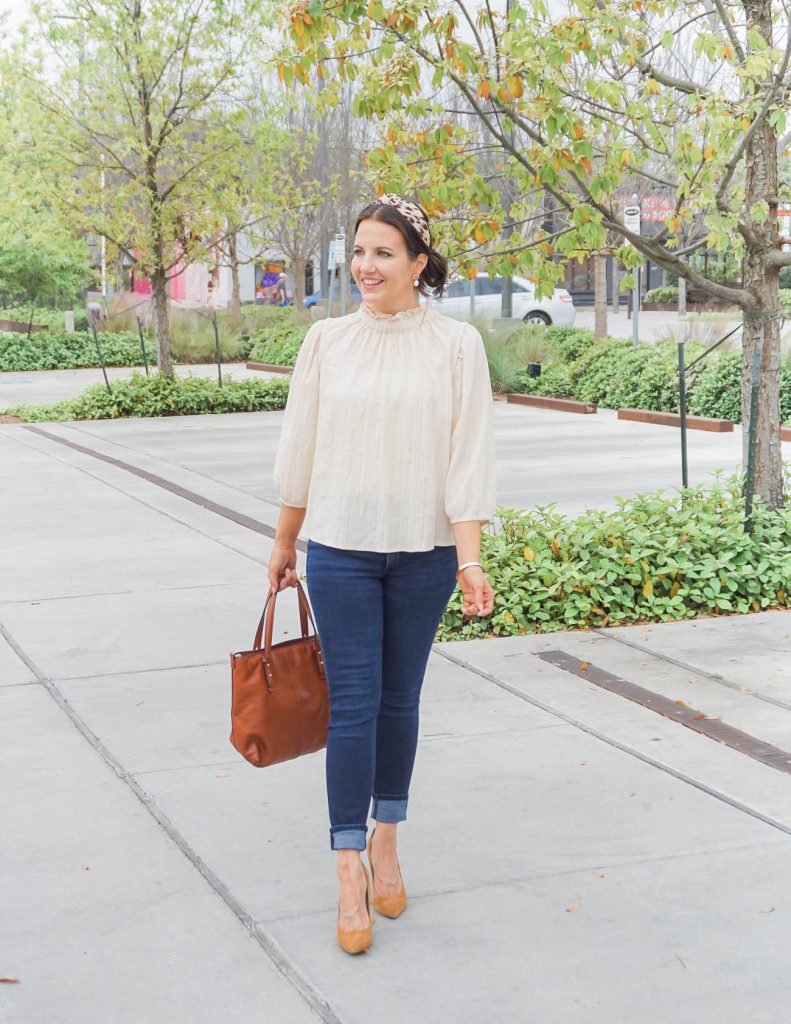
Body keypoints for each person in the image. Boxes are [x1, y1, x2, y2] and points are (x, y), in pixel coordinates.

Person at [268, 194, 496, 955]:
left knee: (400, 700)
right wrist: (282, 544)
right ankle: (345, 865)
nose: (364, 267)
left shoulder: (458, 345)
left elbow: (467, 459)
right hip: (340, 549)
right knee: (354, 704)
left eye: (382, 254)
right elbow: (300, 450)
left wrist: (469, 559)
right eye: (357, 253)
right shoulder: (326, 342)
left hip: (426, 554)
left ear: (418, 264)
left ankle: (387, 839)